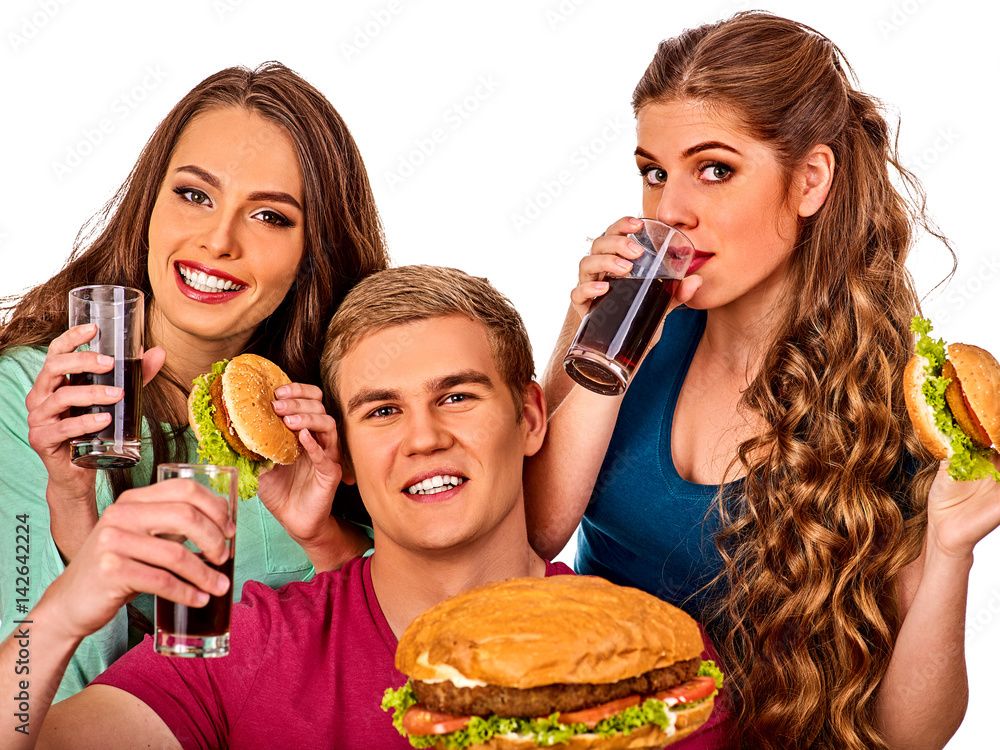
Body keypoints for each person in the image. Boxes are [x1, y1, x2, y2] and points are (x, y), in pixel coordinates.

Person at [524, 11, 999, 750]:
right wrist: (584, 331)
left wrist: (951, 548)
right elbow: (537, 531)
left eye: (714, 169)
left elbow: (911, 737)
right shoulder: (631, 333)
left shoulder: (895, 402)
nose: (670, 211)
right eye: (654, 172)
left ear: (809, 180)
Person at [0, 265, 572, 749]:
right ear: (342, 454)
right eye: (381, 412)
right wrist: (62, 611)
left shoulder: (641, 647)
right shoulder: (249, 648)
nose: (424, 439)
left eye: (456, 397)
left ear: (529, 417)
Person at [0, 62, 387, 701]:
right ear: (148, 204)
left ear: (313, 251)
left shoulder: (331, 417)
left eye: (269, 216)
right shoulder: (33, 399)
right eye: (195, 195)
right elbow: (24, 704)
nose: (218, 240)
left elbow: (401, 666)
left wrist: (324, 539)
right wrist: (71, 505)